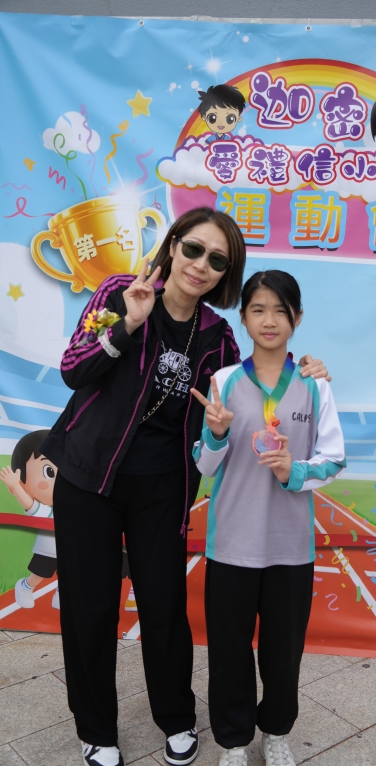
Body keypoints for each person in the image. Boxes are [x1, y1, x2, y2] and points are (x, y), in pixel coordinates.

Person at [40, 208, 329, 766]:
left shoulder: (217, 337)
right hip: (89, 477)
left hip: (164, 487)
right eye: (193, 249)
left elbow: (249, 391)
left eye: (217, 260)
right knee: (89, 609)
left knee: (164, 606)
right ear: (172, 246)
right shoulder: (120, 292)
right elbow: (74, 368)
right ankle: (96, 730)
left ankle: (175, 716)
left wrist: (306, 370)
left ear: (225, 275)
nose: (201, 265)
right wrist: (126, 326)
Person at [191, 270, 346, 766]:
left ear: (297, 318)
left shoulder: (315, 384)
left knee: (283, 653)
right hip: (231, 543)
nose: (270, 320)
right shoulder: (223, 382)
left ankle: (276, 733)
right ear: (243, 317)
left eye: (281, 310)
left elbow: (334, 459)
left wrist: (293, 471)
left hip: (289, 547)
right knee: (229, 651)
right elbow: (204, 465)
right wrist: (216, 434)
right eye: (258, 309)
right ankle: (234, 742)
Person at [0, 429, 60, 610]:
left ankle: (61, 594)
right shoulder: (46, 510)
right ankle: (26, 586)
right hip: (48, 550)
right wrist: (16, 486)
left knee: (70, 573)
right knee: (40, 572)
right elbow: (29, 504)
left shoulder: (74, 508)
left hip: (71, 549)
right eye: (50, 472)